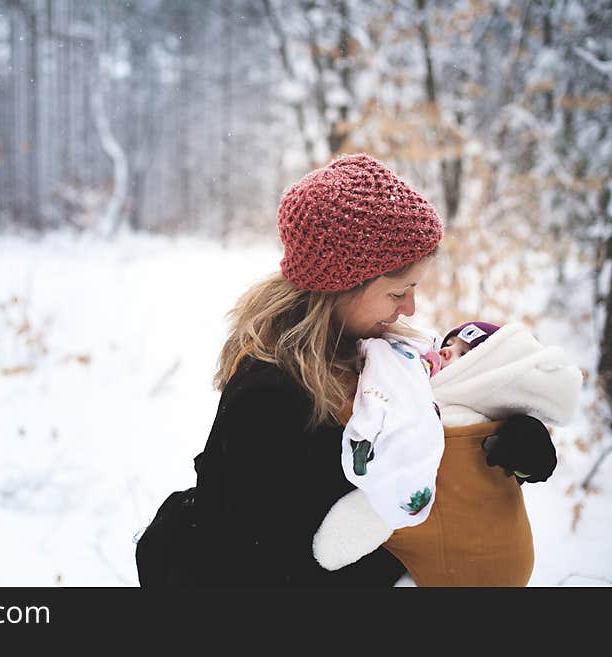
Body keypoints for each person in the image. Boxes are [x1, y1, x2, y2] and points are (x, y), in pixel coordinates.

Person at [136, 153, 558, 588]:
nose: (410, 308)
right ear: (341, 287)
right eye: (398, 292)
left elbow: (437, 443)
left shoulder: (390, 353)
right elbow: (259, 549)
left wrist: (515, 448)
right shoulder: (269, 392)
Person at [315, 320, 581, 585]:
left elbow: (399, 485)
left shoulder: (477, 423)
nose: (445, 351)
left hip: (475, 563)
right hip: (471, 563)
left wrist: (529, 454)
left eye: (463, 354)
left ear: (485, 374)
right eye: (448, 343)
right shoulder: (413, 388)